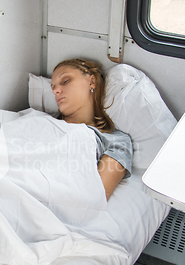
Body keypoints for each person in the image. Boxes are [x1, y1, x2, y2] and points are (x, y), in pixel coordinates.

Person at [51, 58, 132, 201]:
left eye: (65, 81)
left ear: (91, 81)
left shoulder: (116, 141)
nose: (56, 91)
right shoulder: (41, 120)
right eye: (53, 87)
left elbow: (96, 196)